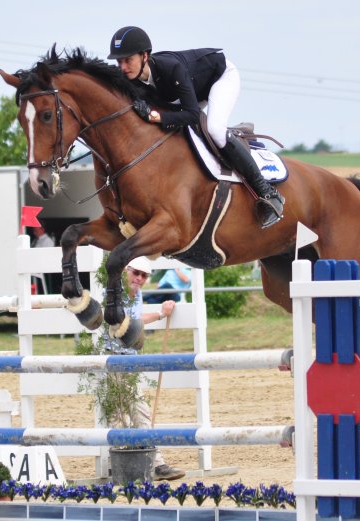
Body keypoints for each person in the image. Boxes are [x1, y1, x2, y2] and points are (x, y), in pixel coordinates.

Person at [107, 26, 285, 229]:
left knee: (215, 130)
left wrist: (159, 117)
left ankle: (269, 194)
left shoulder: (171, 68)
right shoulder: (131, 80)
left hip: (220, 78)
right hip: (185, 94)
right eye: (119, 61)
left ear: (144, 56)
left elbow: (191, 114)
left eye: (127, 60)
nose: (122, 67)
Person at [105, 256, 186, 481]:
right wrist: (160, 314)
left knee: (129, 410)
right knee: (125, 411)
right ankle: (149, 464)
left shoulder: (135, 294)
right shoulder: (116, 293)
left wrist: (160, 313)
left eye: (144, 275)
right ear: (126, 271)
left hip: (127, 359)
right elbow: (129, 322)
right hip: (115, 358)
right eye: (136, 273)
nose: (139, 279)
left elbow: (136, 318)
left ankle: (141, 464)